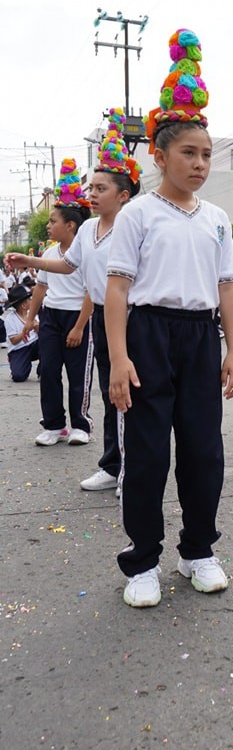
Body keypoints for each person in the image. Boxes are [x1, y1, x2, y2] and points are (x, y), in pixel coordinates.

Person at [104, 28, 233, 608]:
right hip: (148, 334)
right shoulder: (138, 214)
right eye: (189, 152)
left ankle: (197, 550)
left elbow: (227, 285)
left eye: (207, 154)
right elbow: (117, 290)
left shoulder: (215, 218)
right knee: (149, 453)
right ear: (159, 155)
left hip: (199, 336)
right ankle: (142, 561)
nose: (200, 163)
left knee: (205, 451)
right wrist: (117, 358)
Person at [8, 110, 143, 492]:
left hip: (133, 318)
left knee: (128, 393)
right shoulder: (87, 228)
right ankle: (113, 465)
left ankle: (133, 470)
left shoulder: (134, 225)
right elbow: (67, 265)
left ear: (123, 195)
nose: (91, 195)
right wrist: (28, 260)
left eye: (100, 189)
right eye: (90, 189)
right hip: (101, 315)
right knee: (108, 391)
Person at [21, 159, 93, 446]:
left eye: (53, 221)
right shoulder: (50, 252)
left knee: (78, 375)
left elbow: (92, 292)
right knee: (48, 370)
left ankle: (81, 425)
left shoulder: (86, 251)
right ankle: (54, 425)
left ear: (70, 225)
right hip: (51, 317)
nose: (49, 226)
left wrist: (78, 327)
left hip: (78, 318)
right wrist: (30, 320)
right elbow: (41, 287)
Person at [3, 284, 39, 382]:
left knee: (47, 343)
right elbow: (14, 341)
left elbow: (41, 334)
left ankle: (42, 371)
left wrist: (37, 328)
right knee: (19, 376)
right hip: (19, 349)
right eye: (29, 300)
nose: (32, 301)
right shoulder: (10, 319)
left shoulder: (33, 314)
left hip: (34, 344)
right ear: (23, 305)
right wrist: (26, 331)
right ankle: (18, 364)